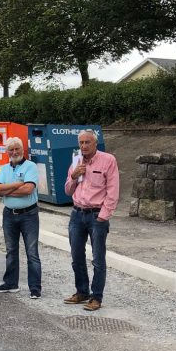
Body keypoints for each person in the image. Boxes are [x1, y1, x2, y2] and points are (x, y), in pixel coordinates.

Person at [64, 129, 119, 311]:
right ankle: (82, 292)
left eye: (87, 142)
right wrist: (73, 176)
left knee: (98, 259)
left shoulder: (108, 160)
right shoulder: (76, 160)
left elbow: (113, 191)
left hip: (97, 216)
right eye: (81, 143)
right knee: (76, 256)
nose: (84, 146)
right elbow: (67, 191)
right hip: (77, 214)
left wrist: (104, 215)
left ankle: (96, 297)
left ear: (95, 143)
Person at [0, 137, 42, 298]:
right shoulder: (4, 168)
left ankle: (35, 288)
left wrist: (6, 189)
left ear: (22, 149)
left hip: (29, 214)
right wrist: (16, 184)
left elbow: (28, 189)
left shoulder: (31, 166)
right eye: (11, 149)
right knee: (11, 250)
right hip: (9, 214)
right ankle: (11, 283)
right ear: (7, 152)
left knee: (32, 252)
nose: (14, 152)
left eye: (17, 148)